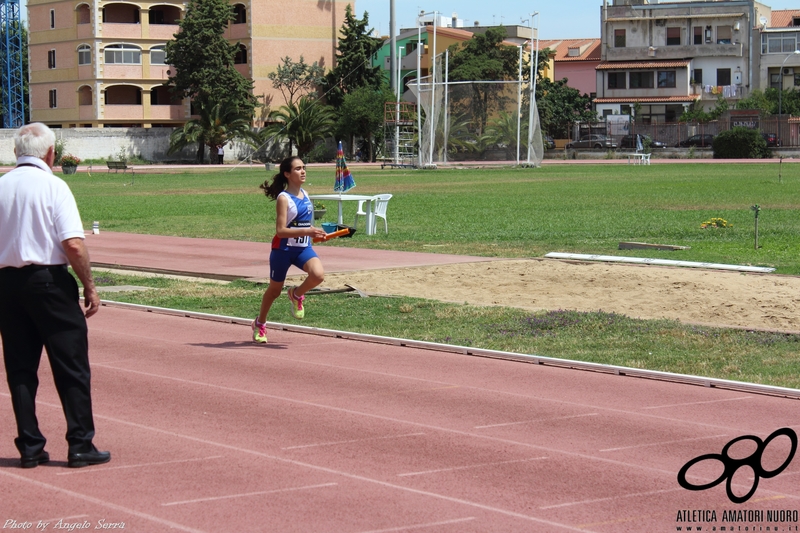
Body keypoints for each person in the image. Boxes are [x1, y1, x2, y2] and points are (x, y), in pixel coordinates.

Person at [0, 123, 110, 469]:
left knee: (19, 368)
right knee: (71, 365)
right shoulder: (54, 186)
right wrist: (89, 285)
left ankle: (29, 445)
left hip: (7, 284)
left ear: (16, 153)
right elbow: (74, 244)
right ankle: (80, 443)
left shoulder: (1, 186)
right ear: (51, 154)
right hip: (49, 283)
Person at [252, 156, 326, 343]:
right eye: (298, 169)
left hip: (302, 249)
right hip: (283, 250)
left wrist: (314, 234)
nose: (303, 171)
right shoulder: (283, 198)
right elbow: (281, 231)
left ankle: (296, 294)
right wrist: (307, 230)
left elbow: (306, 225)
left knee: (318, 275)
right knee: (274, 291)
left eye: (304, 168)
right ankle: (260, 324)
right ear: (287, 174)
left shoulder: (307, 195)